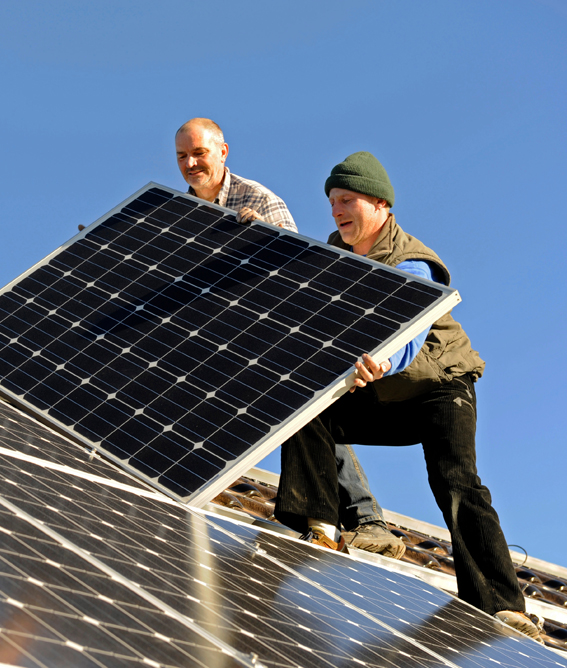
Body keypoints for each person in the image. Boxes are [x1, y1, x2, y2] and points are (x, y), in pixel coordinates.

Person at [274, 151, 540, 639]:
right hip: (384, 393)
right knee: (306, 410)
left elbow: (408, 332)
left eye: (347, 200)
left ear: (380, 204)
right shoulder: (333, 258)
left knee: (455, 479)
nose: (337, 211)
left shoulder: (411, 258)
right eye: (332, 202)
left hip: (440, 386)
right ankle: (321, 528)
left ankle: (501, 603)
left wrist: (381, 362)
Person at [175, 119, 403, 559]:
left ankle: (361, 516)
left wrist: (264, 238)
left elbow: (298, 274)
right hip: (220, 330)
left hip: (273, 326)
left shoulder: (258, 200)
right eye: (182, 156)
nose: (190, 163)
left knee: (305, 411)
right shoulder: (179, 213)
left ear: (222, 151)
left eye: (199, 153)